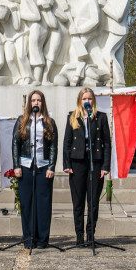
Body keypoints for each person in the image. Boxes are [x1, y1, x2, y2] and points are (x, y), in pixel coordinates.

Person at [62, 88, 112, 247]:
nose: (87, 101)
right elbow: (67, 143)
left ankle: (90, 235)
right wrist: (67, 164)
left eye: (90, 99)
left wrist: (105, 166)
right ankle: (79, 236)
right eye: (84, 98)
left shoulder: (100, 117)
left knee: (93, 202)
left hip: (95, 163)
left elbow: (107, 144)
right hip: (77, 164)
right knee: (78, 202)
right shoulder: (73, 116)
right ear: (80, 100)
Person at [12, 90, 58, 249]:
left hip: (43, 166)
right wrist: (16, 166)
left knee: (43, 204)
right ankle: (28, 238)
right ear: (29, 104)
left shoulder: (49, 122)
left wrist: (51, 166)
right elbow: (15, 144)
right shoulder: (22, 121)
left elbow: (53, 146)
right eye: (33, 101)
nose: (36, 103)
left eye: (38, 100)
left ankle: (42, 239)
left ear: (42, 103)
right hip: (25, 166)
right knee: (27, 203)